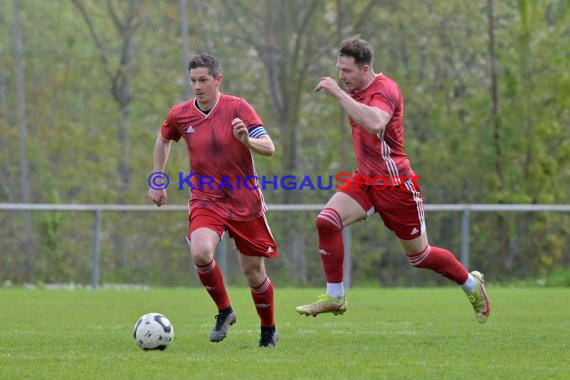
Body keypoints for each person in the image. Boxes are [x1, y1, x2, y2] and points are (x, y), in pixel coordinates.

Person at [296, 36, 491, 323]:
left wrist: (337, 93)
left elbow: (375, 123)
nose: (341, 76)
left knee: (420, 257)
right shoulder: (354, 89)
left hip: (396, 186)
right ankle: (335, 296)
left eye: (347, 71)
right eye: (339, 70)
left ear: (365, 69)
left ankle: (471, 284)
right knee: (326, 221)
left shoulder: (384, 89)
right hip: (366, 180)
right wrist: (343, 91)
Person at [147, 54, 279, 347]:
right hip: (206, 198)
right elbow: (163, 138)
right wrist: (157, 178)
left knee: (253, 273)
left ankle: (268, 329)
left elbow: (269, 147)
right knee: (201, 252)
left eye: (203, 80)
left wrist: (248, 141)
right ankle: (224, 310)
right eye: (193, 80)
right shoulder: (180, 114)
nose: (197, 86)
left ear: (218, 80)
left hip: (245, 200)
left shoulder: (238, 108)